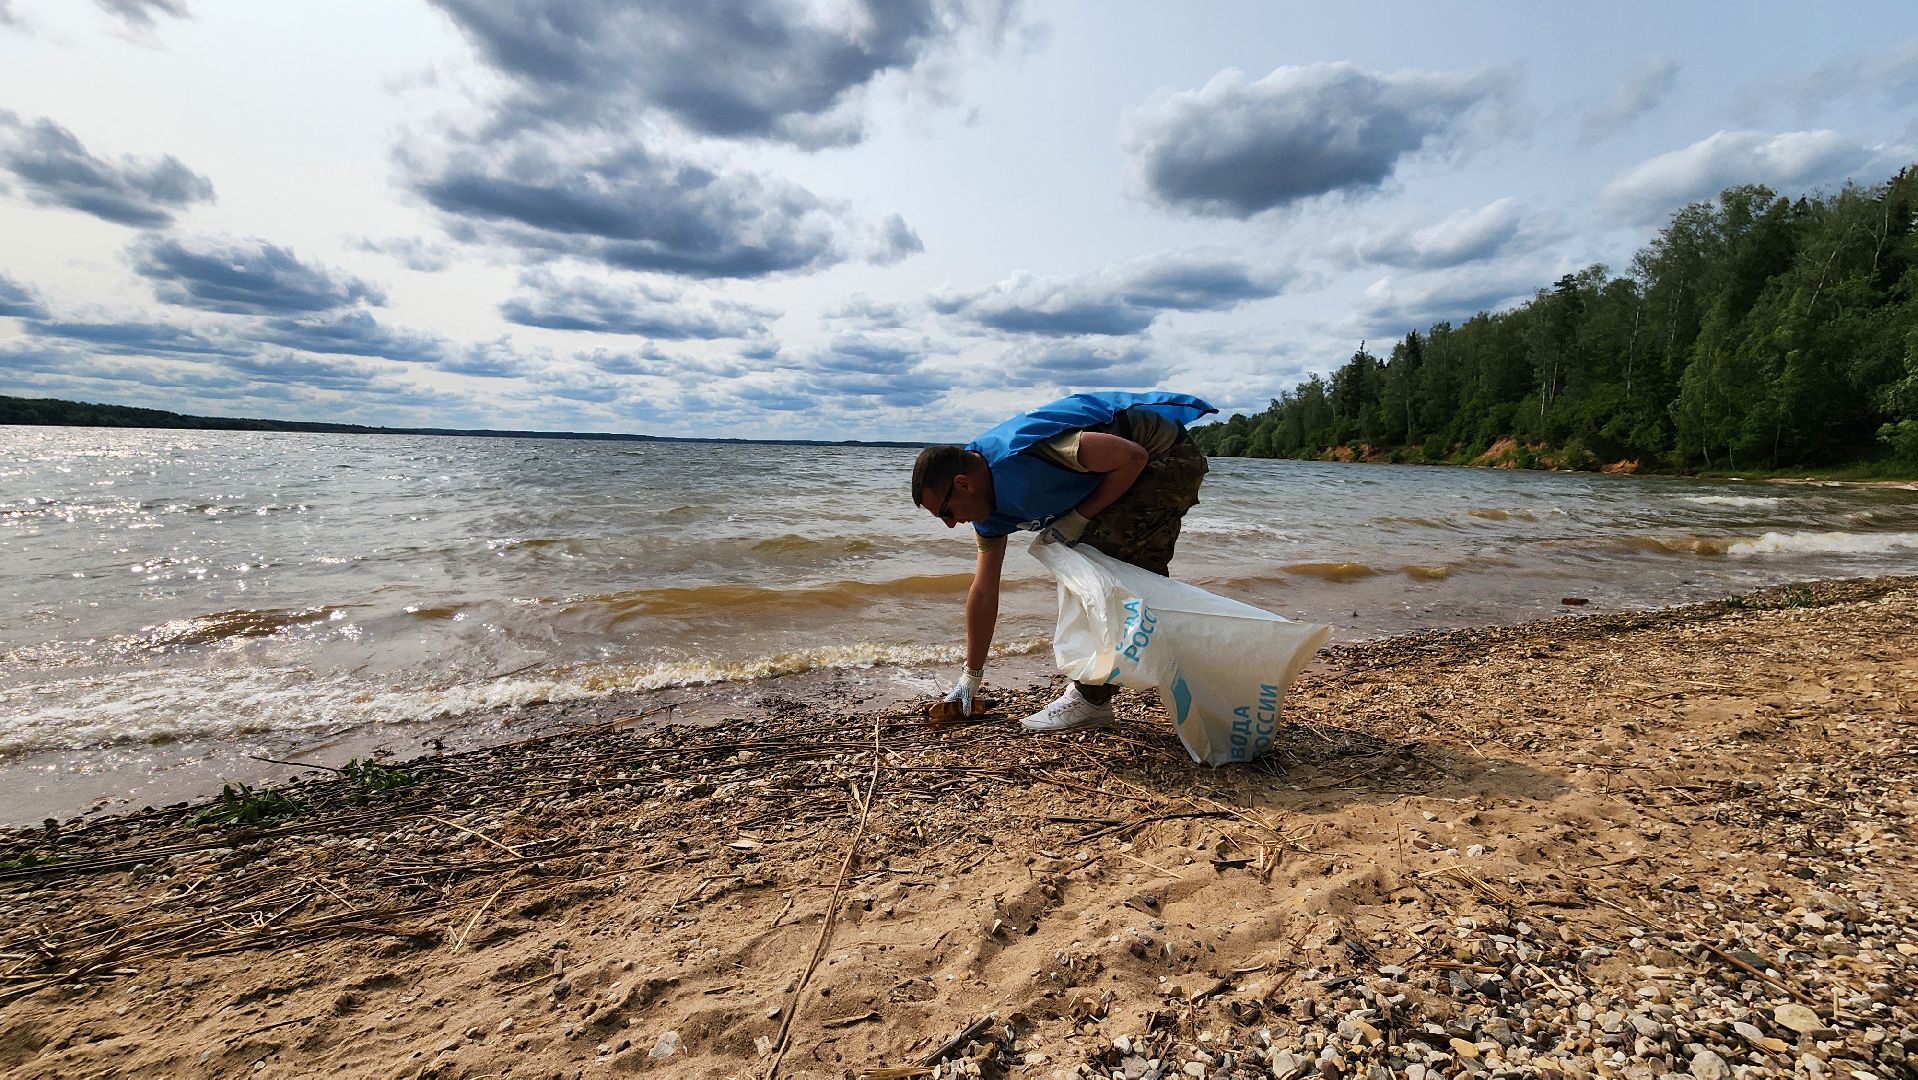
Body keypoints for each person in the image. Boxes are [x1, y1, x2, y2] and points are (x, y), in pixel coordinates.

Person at [911, 390, 1216, 731]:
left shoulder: (1024, 455)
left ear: (963, 484)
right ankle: (1139, 675)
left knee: (1110, 561)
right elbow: (983, 591)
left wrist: (1079, 518)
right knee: (1096, 566)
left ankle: (1091, 700)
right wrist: (971, 676)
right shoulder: (985, 512)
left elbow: (1132, 457)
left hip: (1166, 455)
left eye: (945, 513)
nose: (951, 524)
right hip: (1131, 464)